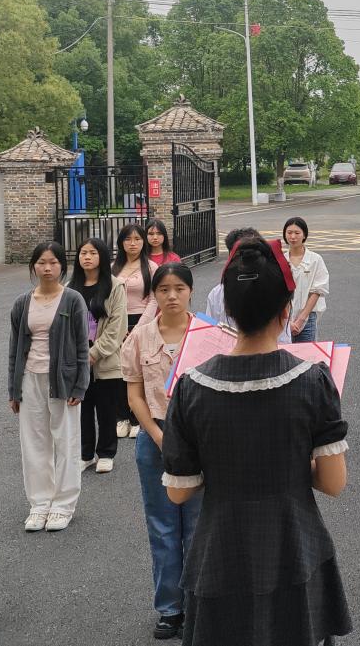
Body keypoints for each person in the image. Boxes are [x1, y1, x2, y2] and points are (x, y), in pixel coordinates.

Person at [162, 240, 352, 645]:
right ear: (285, 311)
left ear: (228, 310)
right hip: (293, 548)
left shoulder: (190, 387)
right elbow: (333, 482)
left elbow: (178, 491)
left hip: (220, 552)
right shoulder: (313, 380)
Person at [121, 262, 204, 640]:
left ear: (190, 291)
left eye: (179, 288)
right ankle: (170, 609)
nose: (172, 296)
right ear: (153, 295)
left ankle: (198, 605)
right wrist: (157, 436)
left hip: (200, 442)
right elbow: (134, 395)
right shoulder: (140, 337)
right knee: (163, 526)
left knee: (198, 527)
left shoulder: (208, 335)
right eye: (164, 289)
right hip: (154, 438)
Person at [7, 241, 89, 533]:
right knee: (34, 444)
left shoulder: (73, 300)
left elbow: (82, 346)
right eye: (41, 262)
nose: (47, 268)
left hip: (63, 381)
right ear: (33, 266)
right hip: (30, 378)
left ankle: (63, 505)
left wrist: (80, 386)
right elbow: (15, 349)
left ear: (62, 267)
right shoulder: (22, 303)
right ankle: (40, 504)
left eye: (53, 262)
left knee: (66, 442)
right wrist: (13, 389)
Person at [71, 238, 128, 474]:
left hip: (106, 360)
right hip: (76, 359)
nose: (87, 257)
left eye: (92, 253)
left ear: (102, 256)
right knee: (81, 410)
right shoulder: (69, 287)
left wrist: (93, 354)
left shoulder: (115, 286)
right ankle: (85, 454)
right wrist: (77, 356)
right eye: (83, 253)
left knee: (106, 409)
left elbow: (117, 328)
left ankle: (106, 453)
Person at [113, 222, 153, 437]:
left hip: (142, 323)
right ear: (121, 243)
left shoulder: (151, 267)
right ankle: (121, 417)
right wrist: (115, 326)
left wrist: (139, 327)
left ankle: (137, 418)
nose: (133, 243)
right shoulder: (113, 268)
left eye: (137, 239)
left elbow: (154, 300)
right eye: (128, 239)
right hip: (116, 323)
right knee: (118, 372)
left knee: (139, 372)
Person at [284, 216, 330, 343]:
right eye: (289, 233)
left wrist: (301, 319)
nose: (293, 237)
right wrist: (287, 320)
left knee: (307, 354)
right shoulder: (281, 260)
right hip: (284, 319)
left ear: (304, 235)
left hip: (308, 317)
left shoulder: (315, 259)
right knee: (285, 353)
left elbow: (318, 290)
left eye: (297, 233)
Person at [203, 227, 263, 325]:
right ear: (230, 257)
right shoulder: (216, 294)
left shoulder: (272, 289)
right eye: (239, 255)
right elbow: (209, 328)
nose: (245, 261)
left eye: (251, 255)